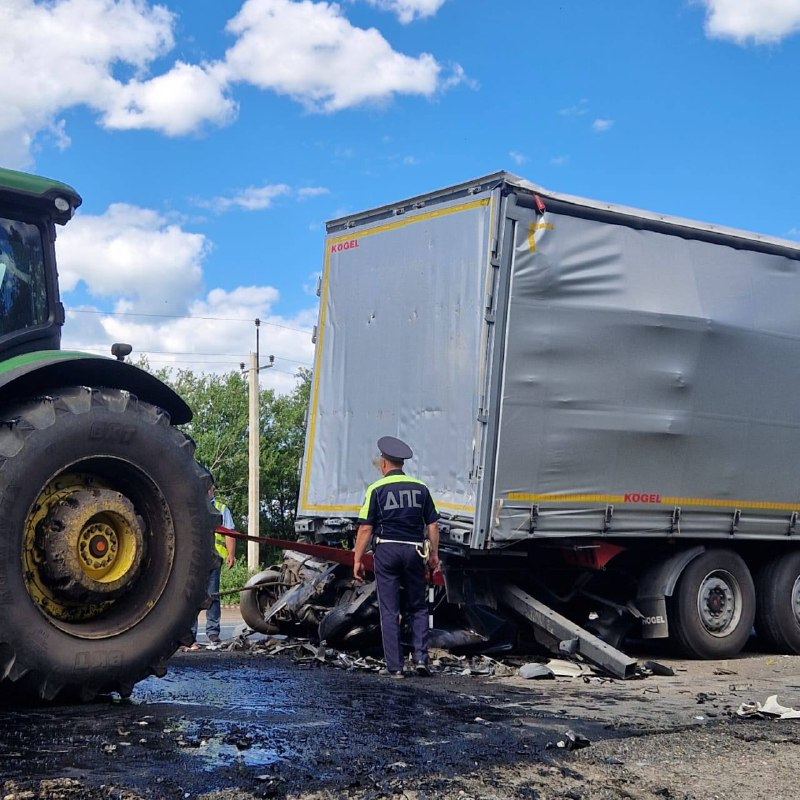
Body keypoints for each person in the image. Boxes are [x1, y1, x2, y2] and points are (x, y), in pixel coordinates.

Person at [353, 436, 440, 678]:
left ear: (383, 463)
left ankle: (395, 667)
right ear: (402, 463)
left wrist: (357, 559)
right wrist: (434, 555)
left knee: (389, 610)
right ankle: (421, 659)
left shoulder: (376, 489)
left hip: (387, 551)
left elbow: (365, 528)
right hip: (414, 551)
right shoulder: (421, 488)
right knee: (418, 606)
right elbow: (433, 524)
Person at [189, 482, 236, 647]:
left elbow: (230, 533)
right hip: (196, 560)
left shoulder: (221, 509)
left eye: (208, 488)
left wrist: (231, 554)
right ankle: (190, 634)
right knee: (192, 597)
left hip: (214, 560)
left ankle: (213, 633)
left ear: (211, 490)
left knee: (212, 596)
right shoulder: (194, 507)